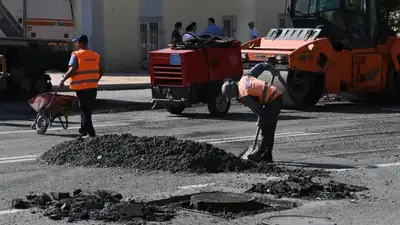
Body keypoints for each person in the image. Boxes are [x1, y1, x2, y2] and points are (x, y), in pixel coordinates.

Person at [221, 62, 282, 162]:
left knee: (266, 126)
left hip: (273, 100)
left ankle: (262, 153)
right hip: (273, 97)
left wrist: (260, 118)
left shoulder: (243, 95)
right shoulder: (245, 77)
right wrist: (271, 68)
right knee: (267, 127)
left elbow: (259, 110)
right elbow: (261, 66)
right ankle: (266, 155)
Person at [58, 34, 103, 138]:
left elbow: (72, 69)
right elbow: (101, 70)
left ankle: (90, 133)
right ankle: (84, 130)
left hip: (82, 88)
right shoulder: (95, 55)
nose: (75, 44)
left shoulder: (76, 55)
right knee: (87, 110)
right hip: (92, 87)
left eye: (76, 42)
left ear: (80, 43)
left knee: (84, 110)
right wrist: (95, 79)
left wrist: (63, 79)